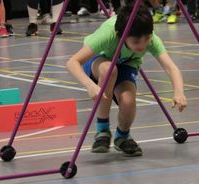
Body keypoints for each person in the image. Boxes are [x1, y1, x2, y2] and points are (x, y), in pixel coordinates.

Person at [66, 4, 187, 157]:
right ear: (120, 35)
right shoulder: (109, 33)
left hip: (126, 64)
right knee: (109, 70)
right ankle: (102, 130)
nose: (143, 45)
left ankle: (122, 136)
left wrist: (178, 91)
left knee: (128, 101)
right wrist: (89, 85)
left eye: (147, 39)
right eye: (136, 42)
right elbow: (72, 62)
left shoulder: (150, 38)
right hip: (98, 61)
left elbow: (171, 68)